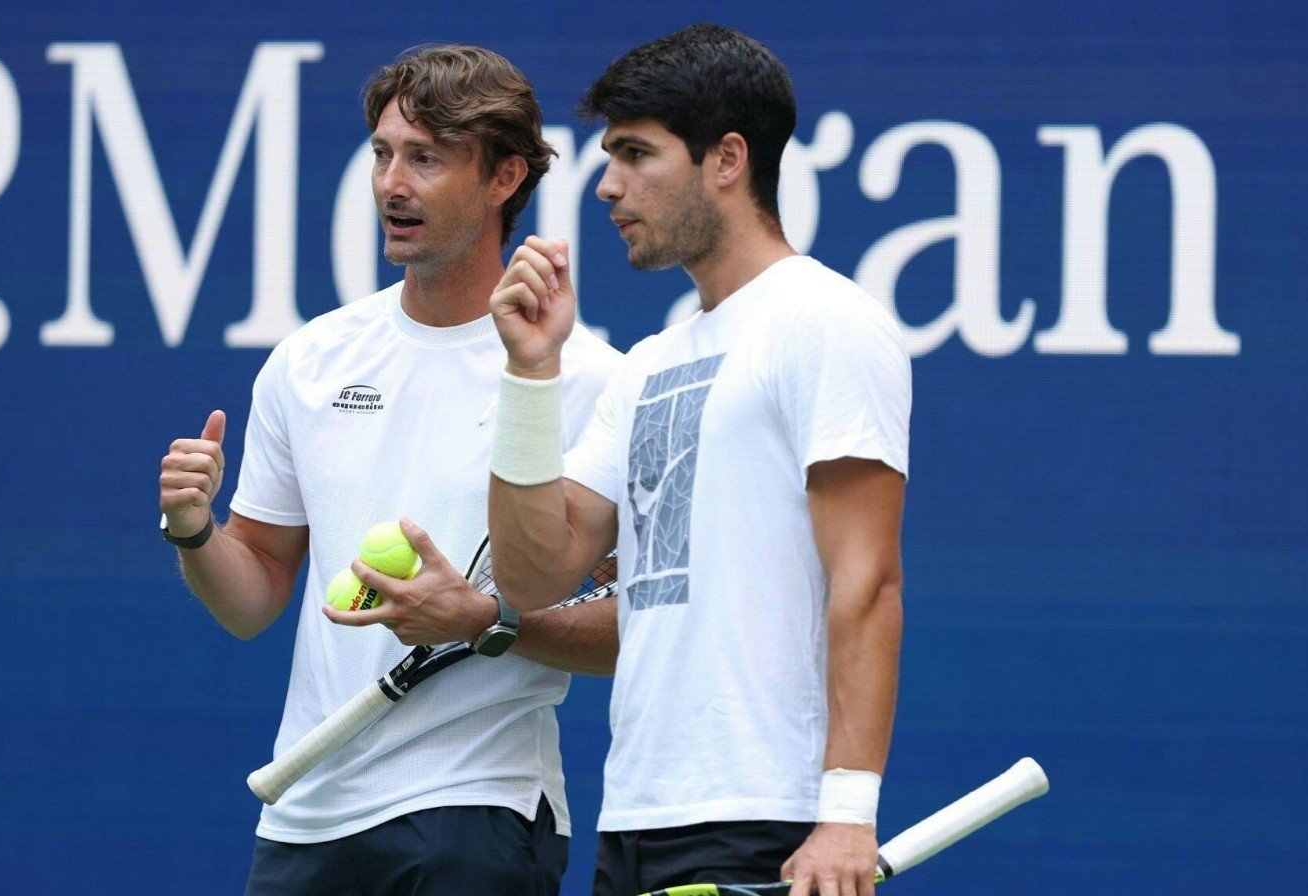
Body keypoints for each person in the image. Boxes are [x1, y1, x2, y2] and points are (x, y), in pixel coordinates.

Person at [157, 44, 621, 896]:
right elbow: (254, 594)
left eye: (426, 158)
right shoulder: (311, 360)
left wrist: (485, 619)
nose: (391, 184)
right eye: (382, 153)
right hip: (306, 814)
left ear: (503, 177)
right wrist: (194, 532)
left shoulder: (588, 380)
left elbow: (643, 626)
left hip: (478, 810)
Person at [485, 24, 911, 896]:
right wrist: (532, 376)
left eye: (637, 154)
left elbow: (868, 581)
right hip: (637, 817)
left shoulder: (825, 320)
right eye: (609, 156)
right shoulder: (648, 364)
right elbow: (533, 572)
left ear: (726, 159)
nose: (607, 185)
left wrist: (846, 814)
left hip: (772, 820)